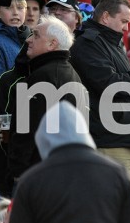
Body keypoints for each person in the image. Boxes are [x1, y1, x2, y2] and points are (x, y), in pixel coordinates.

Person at [70, 0, 130, 185]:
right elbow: (111, 85)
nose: (127, 28)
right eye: (123, 21)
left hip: (126, 142)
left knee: (129, 213)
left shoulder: (110, 43)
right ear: (105, 17)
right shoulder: (89, 43)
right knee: (114, 212)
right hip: (112, 142)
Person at [6, 16, 84, 185]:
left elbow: (26, 128)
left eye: (35, 35)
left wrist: (19, 171)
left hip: (37, 174)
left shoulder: (43, 77)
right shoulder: (72, 74)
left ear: (52, 44)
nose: (28, 40)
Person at [0, 0, 28, 74]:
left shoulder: (33, 38)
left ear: (25, 11)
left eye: (20, 7)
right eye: (8, 7)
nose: (15, 12)